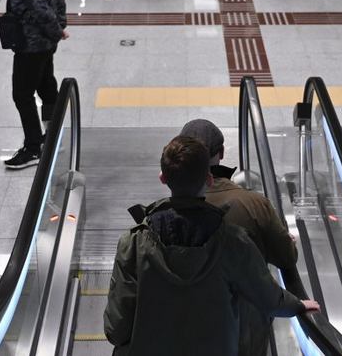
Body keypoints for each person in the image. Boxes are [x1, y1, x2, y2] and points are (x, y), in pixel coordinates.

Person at [104, 135, 319, 355]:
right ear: (208, 180)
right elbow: (268, 297)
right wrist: (298, 304)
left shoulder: (133, 243)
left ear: (162, 177)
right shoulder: (234, 241)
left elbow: (116, 328)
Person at [179, 120, 301, 356]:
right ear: (222, 153)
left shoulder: (165, 211)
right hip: (244, 331)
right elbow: (287, 257)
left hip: (186, 328)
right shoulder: (254, 204)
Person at [0, 0, 69, 170]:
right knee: (46, 85)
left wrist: (56, 29)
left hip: (31, 43)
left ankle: (33, 148)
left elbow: (38, 7)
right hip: (45, 41)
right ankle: (53, 134)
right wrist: (59, 25)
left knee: (22, 95)